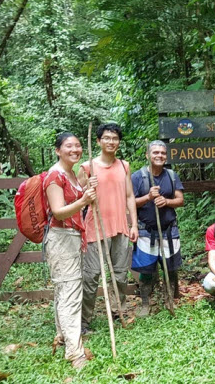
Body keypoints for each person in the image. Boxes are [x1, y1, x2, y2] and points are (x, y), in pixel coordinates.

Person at [43, 132, 97, 370]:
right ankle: (75, 353)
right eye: (68, 146)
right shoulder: (54, 176)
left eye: (77, 146)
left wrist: (86, 186)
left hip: (73, 237)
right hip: (61, 238)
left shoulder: (71, 174)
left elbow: (75, 196)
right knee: (71, 294)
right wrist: (84, 200)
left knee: (64, 290)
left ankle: (62, 336)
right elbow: (58, 211)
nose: (75, 149)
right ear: (57, 150)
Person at [77, 123, 138, 333]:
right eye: (106, 138)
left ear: (119, 142)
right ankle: (84, 321)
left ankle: (117, 311)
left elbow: (130, 196)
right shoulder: (87, 167)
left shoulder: (124, 166)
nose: (111, 142)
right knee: (91, 276)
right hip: (95, 228)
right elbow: (78, 199)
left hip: (120, 227)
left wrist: (134, 224)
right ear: (98, 141)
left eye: (114, 138)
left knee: (120, 275)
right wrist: (87, 186)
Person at [132, 140, 185, 316]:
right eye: (155, 153)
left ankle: (169, 300)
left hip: (169, 231)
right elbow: (129, 203)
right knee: (147, 269)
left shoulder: (171, 175)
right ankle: (145, 303)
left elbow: (180, 199)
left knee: (170, 268)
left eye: (162, 153)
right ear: (148, 155)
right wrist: (148, 197)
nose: (159, 156)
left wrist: (167, 201)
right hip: (147, 231)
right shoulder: (137, 177)